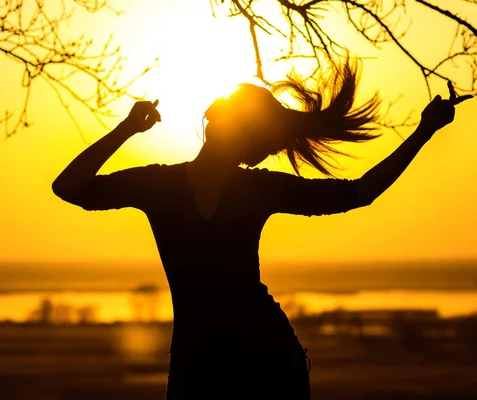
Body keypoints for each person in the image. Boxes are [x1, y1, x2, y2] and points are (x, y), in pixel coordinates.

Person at [51, 60, 472, 399]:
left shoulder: (258, 189)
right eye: (225, 107)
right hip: (197, 362)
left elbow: (360, 193)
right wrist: (126, 128)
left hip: (267, 358)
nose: (221, 114)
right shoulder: (158, 184)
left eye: (236, 114)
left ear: (247, 138)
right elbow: (67, 187)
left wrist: (424, 132)